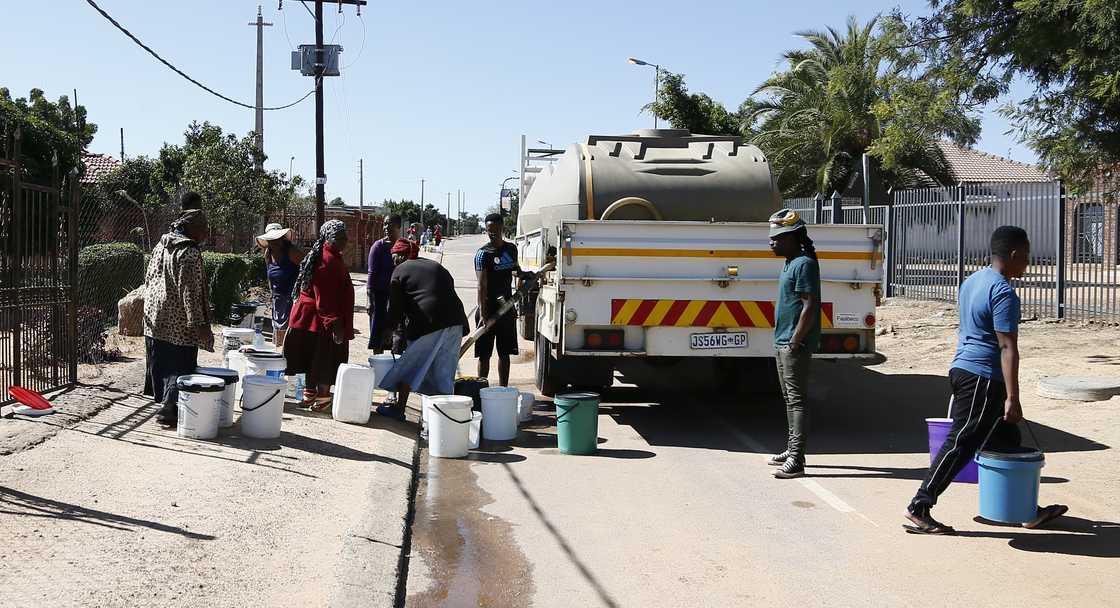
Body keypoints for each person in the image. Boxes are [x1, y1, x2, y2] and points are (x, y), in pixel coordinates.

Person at [904, 226, 1068, 534]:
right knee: (962, 442)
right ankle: (920, 505)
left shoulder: (972, 281)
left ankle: (1025, 510)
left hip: (962, 369)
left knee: (1007, 440)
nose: (1029, 262)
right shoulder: (1003, 292)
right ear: (1015, 254)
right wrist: (1013, 397)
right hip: (982, 377)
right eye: (1027, 256)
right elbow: (1007, 347)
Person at [376, 238, 470, 420]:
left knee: (410, 365)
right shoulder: (435, 265)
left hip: (431, 322)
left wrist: (388, 331)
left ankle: (399, 409)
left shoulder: (399, 271)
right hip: (456, 322)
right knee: (444, 373)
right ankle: (442, 421)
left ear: (401, 255)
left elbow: (395, 309)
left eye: (394, 256)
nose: (393, 260)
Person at [143, 205, 214, 427]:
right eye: (203, 229)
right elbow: (190, 292)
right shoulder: (189, 252)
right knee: (180, 364)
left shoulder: (161, 245)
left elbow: (149, 278)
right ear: (190, 229)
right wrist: (199, 325)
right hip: (178, 320)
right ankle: (169, 409)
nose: (206, 234)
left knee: (161, 360)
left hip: (155, 316)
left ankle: (164, 404)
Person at [766, 209, 821, 479]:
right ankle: (791, 449)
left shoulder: (804, 263)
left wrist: (796, 340)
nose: (771, 242)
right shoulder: (791, 262)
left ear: (792, 238)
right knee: (789, 399)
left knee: (797, 401)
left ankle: (797, 459)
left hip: (793, 343)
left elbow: (810, 306)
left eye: (777, 238)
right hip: (784, 340)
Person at [283, 220, 355, 411]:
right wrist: (335, 324)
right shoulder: (327, 261)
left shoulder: (330, 256)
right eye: (339, 237)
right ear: (327, 238)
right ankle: (322, 398)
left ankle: (310, 395)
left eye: (345, 237)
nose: (344, 241)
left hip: (314, 318)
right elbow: (325, 297)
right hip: (320, 319)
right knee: (324, 358)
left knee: (314, 357)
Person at [474, 213, 523, 387]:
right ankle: (481, 389)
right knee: (484, 354)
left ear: (502, 228)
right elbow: (482, 286)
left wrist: (525, 275)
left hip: (505, 305)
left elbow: (516, 270)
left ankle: (503, 390)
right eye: (489, 231)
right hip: (487, 307)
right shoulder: (483, 254)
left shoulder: (511, 249)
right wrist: (483, 314)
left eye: (495, 230)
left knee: (505, 353)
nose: (492, 234)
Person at [256, 223, 304, 347]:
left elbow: (308, 270)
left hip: (293, 300)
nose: (275, 242)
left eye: (277, 239)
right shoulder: (268, 254)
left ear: (282, 239)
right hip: (278, 300)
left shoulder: (292, 252)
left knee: (290, 339)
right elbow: (269, 275)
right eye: (271, 240)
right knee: (278, 338)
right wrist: (272, 294)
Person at [367, 215, 402, 354]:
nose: (386, 228)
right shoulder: (378, 247)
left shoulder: (404, 246)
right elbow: (371, 274)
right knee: (378, 337)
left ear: (398, 227)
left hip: (397, 298)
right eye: (385, 224)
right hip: (380, 298)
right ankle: (377, 365)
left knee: (398, 337)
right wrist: (370, 300)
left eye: (390, 225)